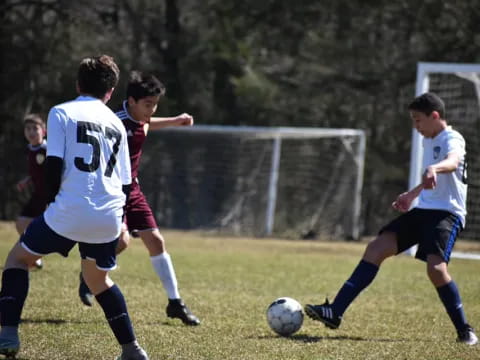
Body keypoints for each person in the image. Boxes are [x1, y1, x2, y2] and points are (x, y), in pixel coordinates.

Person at [0, 55, 149, 360]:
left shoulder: (61, 112)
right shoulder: (117, 125)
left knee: (17, 260)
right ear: (110, 92)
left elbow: (53, 167)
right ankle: (131, 349)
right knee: (98, 281)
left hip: (68, 210)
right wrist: (118, 221)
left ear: (78, 84)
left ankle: (8, 335)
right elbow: (124, 183)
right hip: (108, 215)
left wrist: (53, 206)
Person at [305, 92, 478, 346]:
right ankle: (335, 312)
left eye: (418, 120)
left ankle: (464, 330)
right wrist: (412, 194)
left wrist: (434, 168)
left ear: (435, 116)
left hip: (446, 213)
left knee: (436, 270)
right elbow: (434, 180)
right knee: (376, 247)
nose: (415, 126)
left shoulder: (452, 138)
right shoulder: (429, 141)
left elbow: (452, 162)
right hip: (424, 210)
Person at [78, 70, 200, 326]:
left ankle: (175, 303)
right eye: (148, 105)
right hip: (110, 191)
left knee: (156, 241)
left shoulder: (139, 117)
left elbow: (145, 124)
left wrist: (176, 120)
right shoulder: (113, 122)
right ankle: (89, 276)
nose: (152, 110)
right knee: (121, 242)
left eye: (155, 105)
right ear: (131, 101)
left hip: (132, 189)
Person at [15, 114, 48, 269]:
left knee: (39, 228)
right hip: (37, 195)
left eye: (35, 128)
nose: (31, 132)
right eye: (28, 129)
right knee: (21, 222)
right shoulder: (30, 149)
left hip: (49, 197)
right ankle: (35, 256)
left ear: (44, 131)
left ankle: (34, 254)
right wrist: (26, 181)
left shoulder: (47, 150)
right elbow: (37, 172)